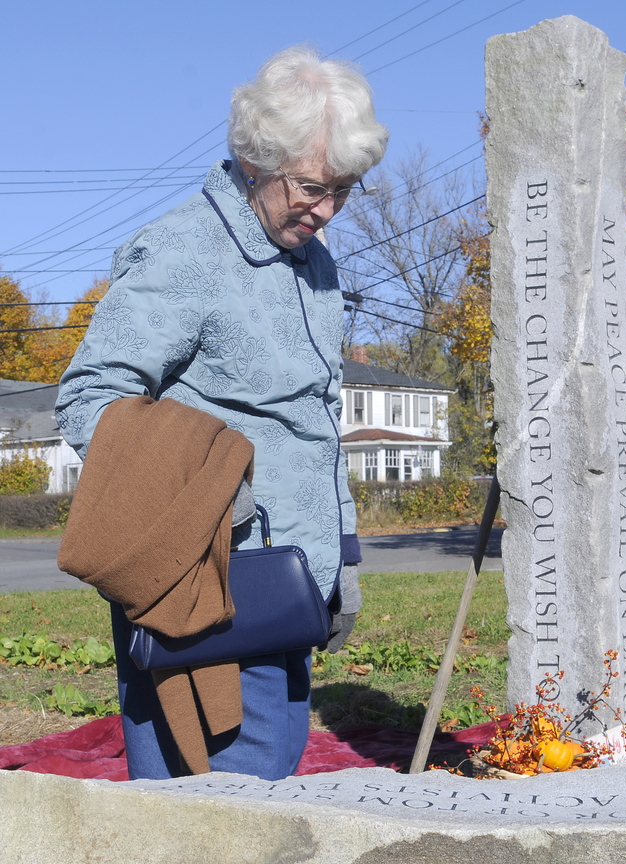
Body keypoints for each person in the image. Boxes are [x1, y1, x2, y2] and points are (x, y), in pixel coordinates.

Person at [54, 45, 389, 781]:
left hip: (287, 587)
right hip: (204, 589)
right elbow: (90, 398)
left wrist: (341, 552)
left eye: (344, 190)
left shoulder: (313, 259)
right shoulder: (184, 251)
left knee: (254, 797)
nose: (326, 209)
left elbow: (309, 423)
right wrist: (208, 499)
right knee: (223, 813)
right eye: (310, 187)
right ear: (254, 159)